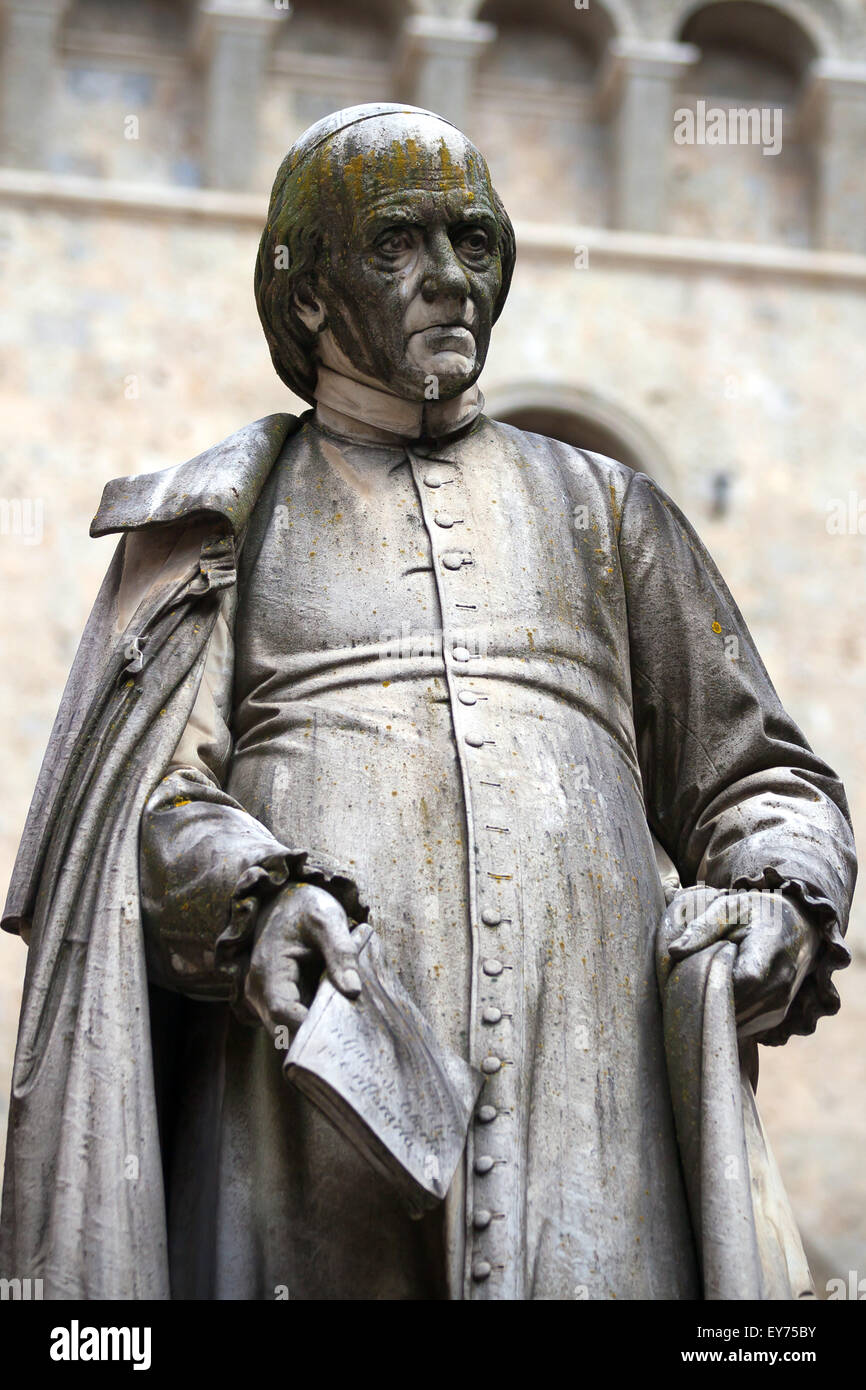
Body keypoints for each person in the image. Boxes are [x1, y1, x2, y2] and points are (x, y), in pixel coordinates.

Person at [0, 104, 855, 1300]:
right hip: (300, 1108)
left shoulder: (607, 513)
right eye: (400, 242)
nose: (452, 279)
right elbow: (149, 804)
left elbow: (759, 775)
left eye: (477, 241)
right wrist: (259, 897)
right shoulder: (219, 529)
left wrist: (777, 892)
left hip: (590, 1108)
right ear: (306, 295)